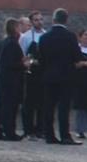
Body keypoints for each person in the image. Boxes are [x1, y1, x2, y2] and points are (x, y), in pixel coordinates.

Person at [35, 8, 84, 145]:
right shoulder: (70, 36)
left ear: (53, 20)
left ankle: (49, 135)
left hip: (49, 76)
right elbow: (77, 57)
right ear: (66, 20)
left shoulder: (44, 37)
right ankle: (65, 136)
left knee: (49, 106)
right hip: (66, 76)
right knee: (64, 107)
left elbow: (40, 58)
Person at [0, 18, 25, 141]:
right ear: (15, 28)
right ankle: (9, 131)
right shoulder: (12, 43)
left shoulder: (4, 42)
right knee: (9, 105)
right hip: (10, 79)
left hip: (2, 77)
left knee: (1, 103)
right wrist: (23, 64)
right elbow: (10, 63)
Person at [17, 11, 47, 138]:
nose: (39, 22)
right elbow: (21, 55)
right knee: (29, 103)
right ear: (31, 22)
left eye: (41, 19)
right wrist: (30, 62)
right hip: (30, 73)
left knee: (42, 103)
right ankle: (28, 130)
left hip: (44, 72)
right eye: (36, 20)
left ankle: (41, 129)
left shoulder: (47, 35)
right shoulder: (25, 37)